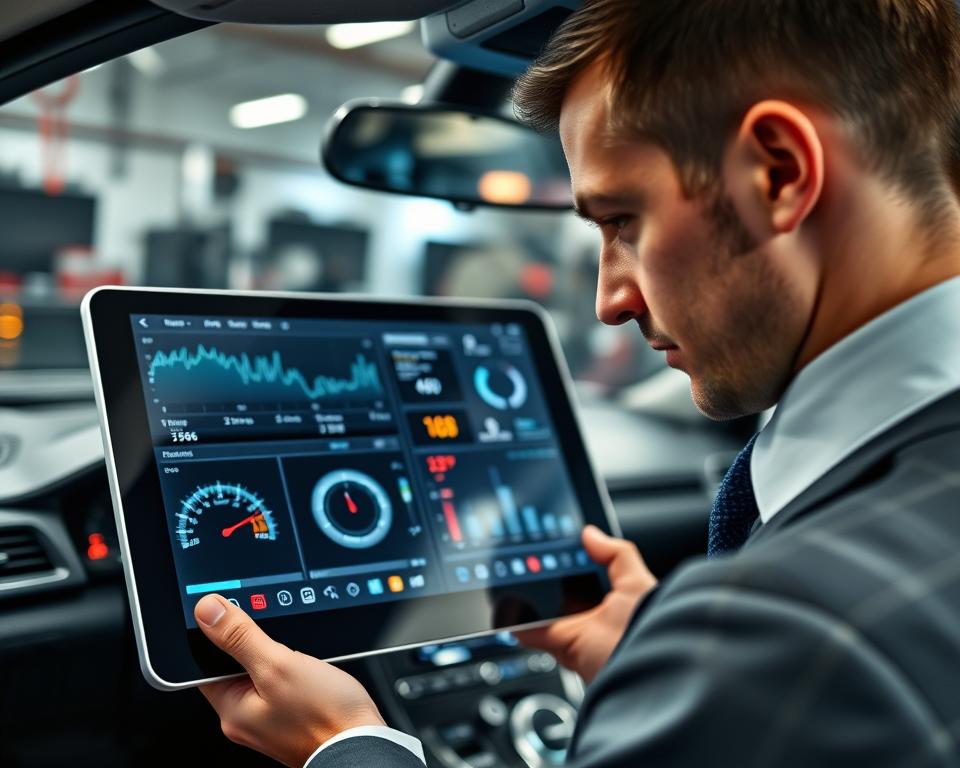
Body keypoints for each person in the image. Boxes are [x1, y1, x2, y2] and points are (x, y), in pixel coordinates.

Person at [192, 1, 960, 765]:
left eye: (623, 221)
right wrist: (658, 666)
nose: (610, 299)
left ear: (779, 172)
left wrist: (348, 746)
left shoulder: (780, 636)